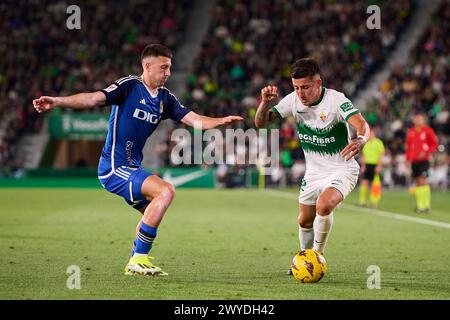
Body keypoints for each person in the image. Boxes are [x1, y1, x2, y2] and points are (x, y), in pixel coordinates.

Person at [33, 44, 243, 276]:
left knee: (153, 211)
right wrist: (58, 102)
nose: (168, 73)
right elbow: (93, 98)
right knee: (166, 191)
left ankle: (136, 262)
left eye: (170, 68)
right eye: (164, 68)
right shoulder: (129, 86)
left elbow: (194, 120)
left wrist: (220, 121)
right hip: (114, 167)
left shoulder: (165, 98)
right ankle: (138, 258)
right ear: (148, 66)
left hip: (132, 167)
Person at [254, 58, 370, 272]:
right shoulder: (293, 101)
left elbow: (361, 123)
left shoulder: (336, 100)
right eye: (296, 88)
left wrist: (361, 139)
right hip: (314, 172)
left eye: (305, 87)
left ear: (319, 83)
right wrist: (264, 104)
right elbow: (261, 123)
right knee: (305, 221)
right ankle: (302, 256)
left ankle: (316, 257)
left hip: (341, 168)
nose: (301, 93)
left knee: (324, 206)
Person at [405, 111, 438, 213]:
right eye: (416, 119)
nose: (418, 120)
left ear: (423, 120)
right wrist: (407, 159)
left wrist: (427, 152)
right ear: (414, 120)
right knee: (418, 182)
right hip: (414, 161)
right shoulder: (411, 131)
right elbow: (409, 147)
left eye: (419, 118)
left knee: (423, 180)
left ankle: (426, 206)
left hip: (424, 160)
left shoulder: (428, 130)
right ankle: (420, 206)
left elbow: (434, 143)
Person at [358, 127, 385, 208]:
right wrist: (363, 166)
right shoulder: (366, 143)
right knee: (364, 183)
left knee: (375, 185)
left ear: (374, 134)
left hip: (375, 165)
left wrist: (379, 165)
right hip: (367, 165)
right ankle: (362, 202)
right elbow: (363, 155)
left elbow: (381, 155)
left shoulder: (378, 142)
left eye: (370, 133)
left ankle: (374, 202)